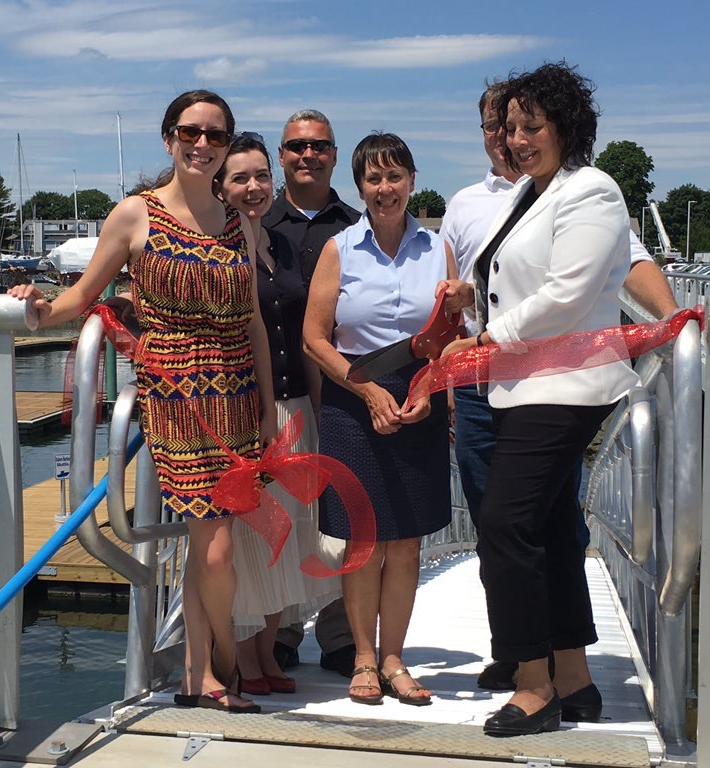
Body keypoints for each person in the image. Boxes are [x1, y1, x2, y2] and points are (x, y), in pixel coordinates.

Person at [10, 90, 276, 714]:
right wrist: (38, 305)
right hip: (177, 397)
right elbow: (81, 296)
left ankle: (196, 672)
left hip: (236, 393)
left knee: (211, 539)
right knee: (214, 543)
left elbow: (256, 321)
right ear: (169, 138)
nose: (202, 144)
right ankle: (228, 669)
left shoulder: (240, 219)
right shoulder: (137, 215)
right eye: (191, 131)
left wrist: (265, 404)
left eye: (215, 134)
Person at [443, 84, 679, 694]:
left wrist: (486, 338)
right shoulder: (529, 193)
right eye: (509, 129)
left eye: (532, 127)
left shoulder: (591, 189)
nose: (517, 141)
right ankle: (574, 680)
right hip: (523, 384)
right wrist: (473, 297)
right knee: (545, 525)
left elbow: (569, 294)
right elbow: (510, 271)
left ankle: (532, 683)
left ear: (567, 127)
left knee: (503, 521)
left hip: (565, 385)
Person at [303, 132, 469, 706]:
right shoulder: (340, 249)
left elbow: (453, 338)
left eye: (394, 176)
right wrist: (369, 391)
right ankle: (364, 660)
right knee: (362, 540)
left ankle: (395, 658)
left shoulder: (438, 248)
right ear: (360, 187)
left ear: (412, 181)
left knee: (405, 544)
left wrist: (430, 387)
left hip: (419, 396)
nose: (384, 189)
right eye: (373, 179)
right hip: (353, 398)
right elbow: (314, 339)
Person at [213, 132, 340, 696]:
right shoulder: (218, 247)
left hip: (292, 409)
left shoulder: (276, 245)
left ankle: (266, 651)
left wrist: (319, 408)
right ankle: (241, 656)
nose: (253, 188)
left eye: (260, 176)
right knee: (249, 536)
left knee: (282, 539)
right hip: (245, 411)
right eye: (240, 178)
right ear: (220, 186)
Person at [262, 109, 361, 677]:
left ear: (332, 153)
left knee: (343, 514)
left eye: (319, 146)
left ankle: (340, 631)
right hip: (279, 394)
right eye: (297, 146)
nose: (308, 155)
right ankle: (281, 626)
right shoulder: (253, 222)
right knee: (281, 516)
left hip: (343, 395)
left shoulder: (355, 227)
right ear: (281, 155)